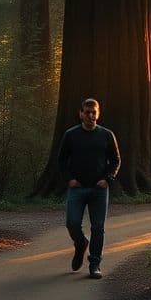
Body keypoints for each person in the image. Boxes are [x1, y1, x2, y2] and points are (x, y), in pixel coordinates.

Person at [57, 97, 120, 279]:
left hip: (99, 189)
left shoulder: (106, 135)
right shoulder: (71, 135)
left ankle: (95, 264)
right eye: (87, 112)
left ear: (98, 114)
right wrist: (69, 179)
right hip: (77, 188)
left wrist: (108, 179)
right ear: (81, 114)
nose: (91, 115)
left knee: (98, 227)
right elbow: (61, 159)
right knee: (72, 223)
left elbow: (116, 160)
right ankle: (80, 244)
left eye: (94, 112)